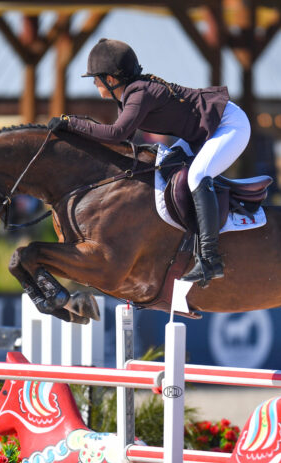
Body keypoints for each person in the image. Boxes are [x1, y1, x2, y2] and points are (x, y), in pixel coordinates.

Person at [49, 38, 251, 287]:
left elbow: (116, 134)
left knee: (197, 175)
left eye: (96, 78)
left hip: (229, 126)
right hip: (201, 133)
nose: (93, 83)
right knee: (164, 164)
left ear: (111, 80)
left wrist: (70, 123)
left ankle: (210, 259)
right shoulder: (132, 93)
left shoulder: (139, 94)